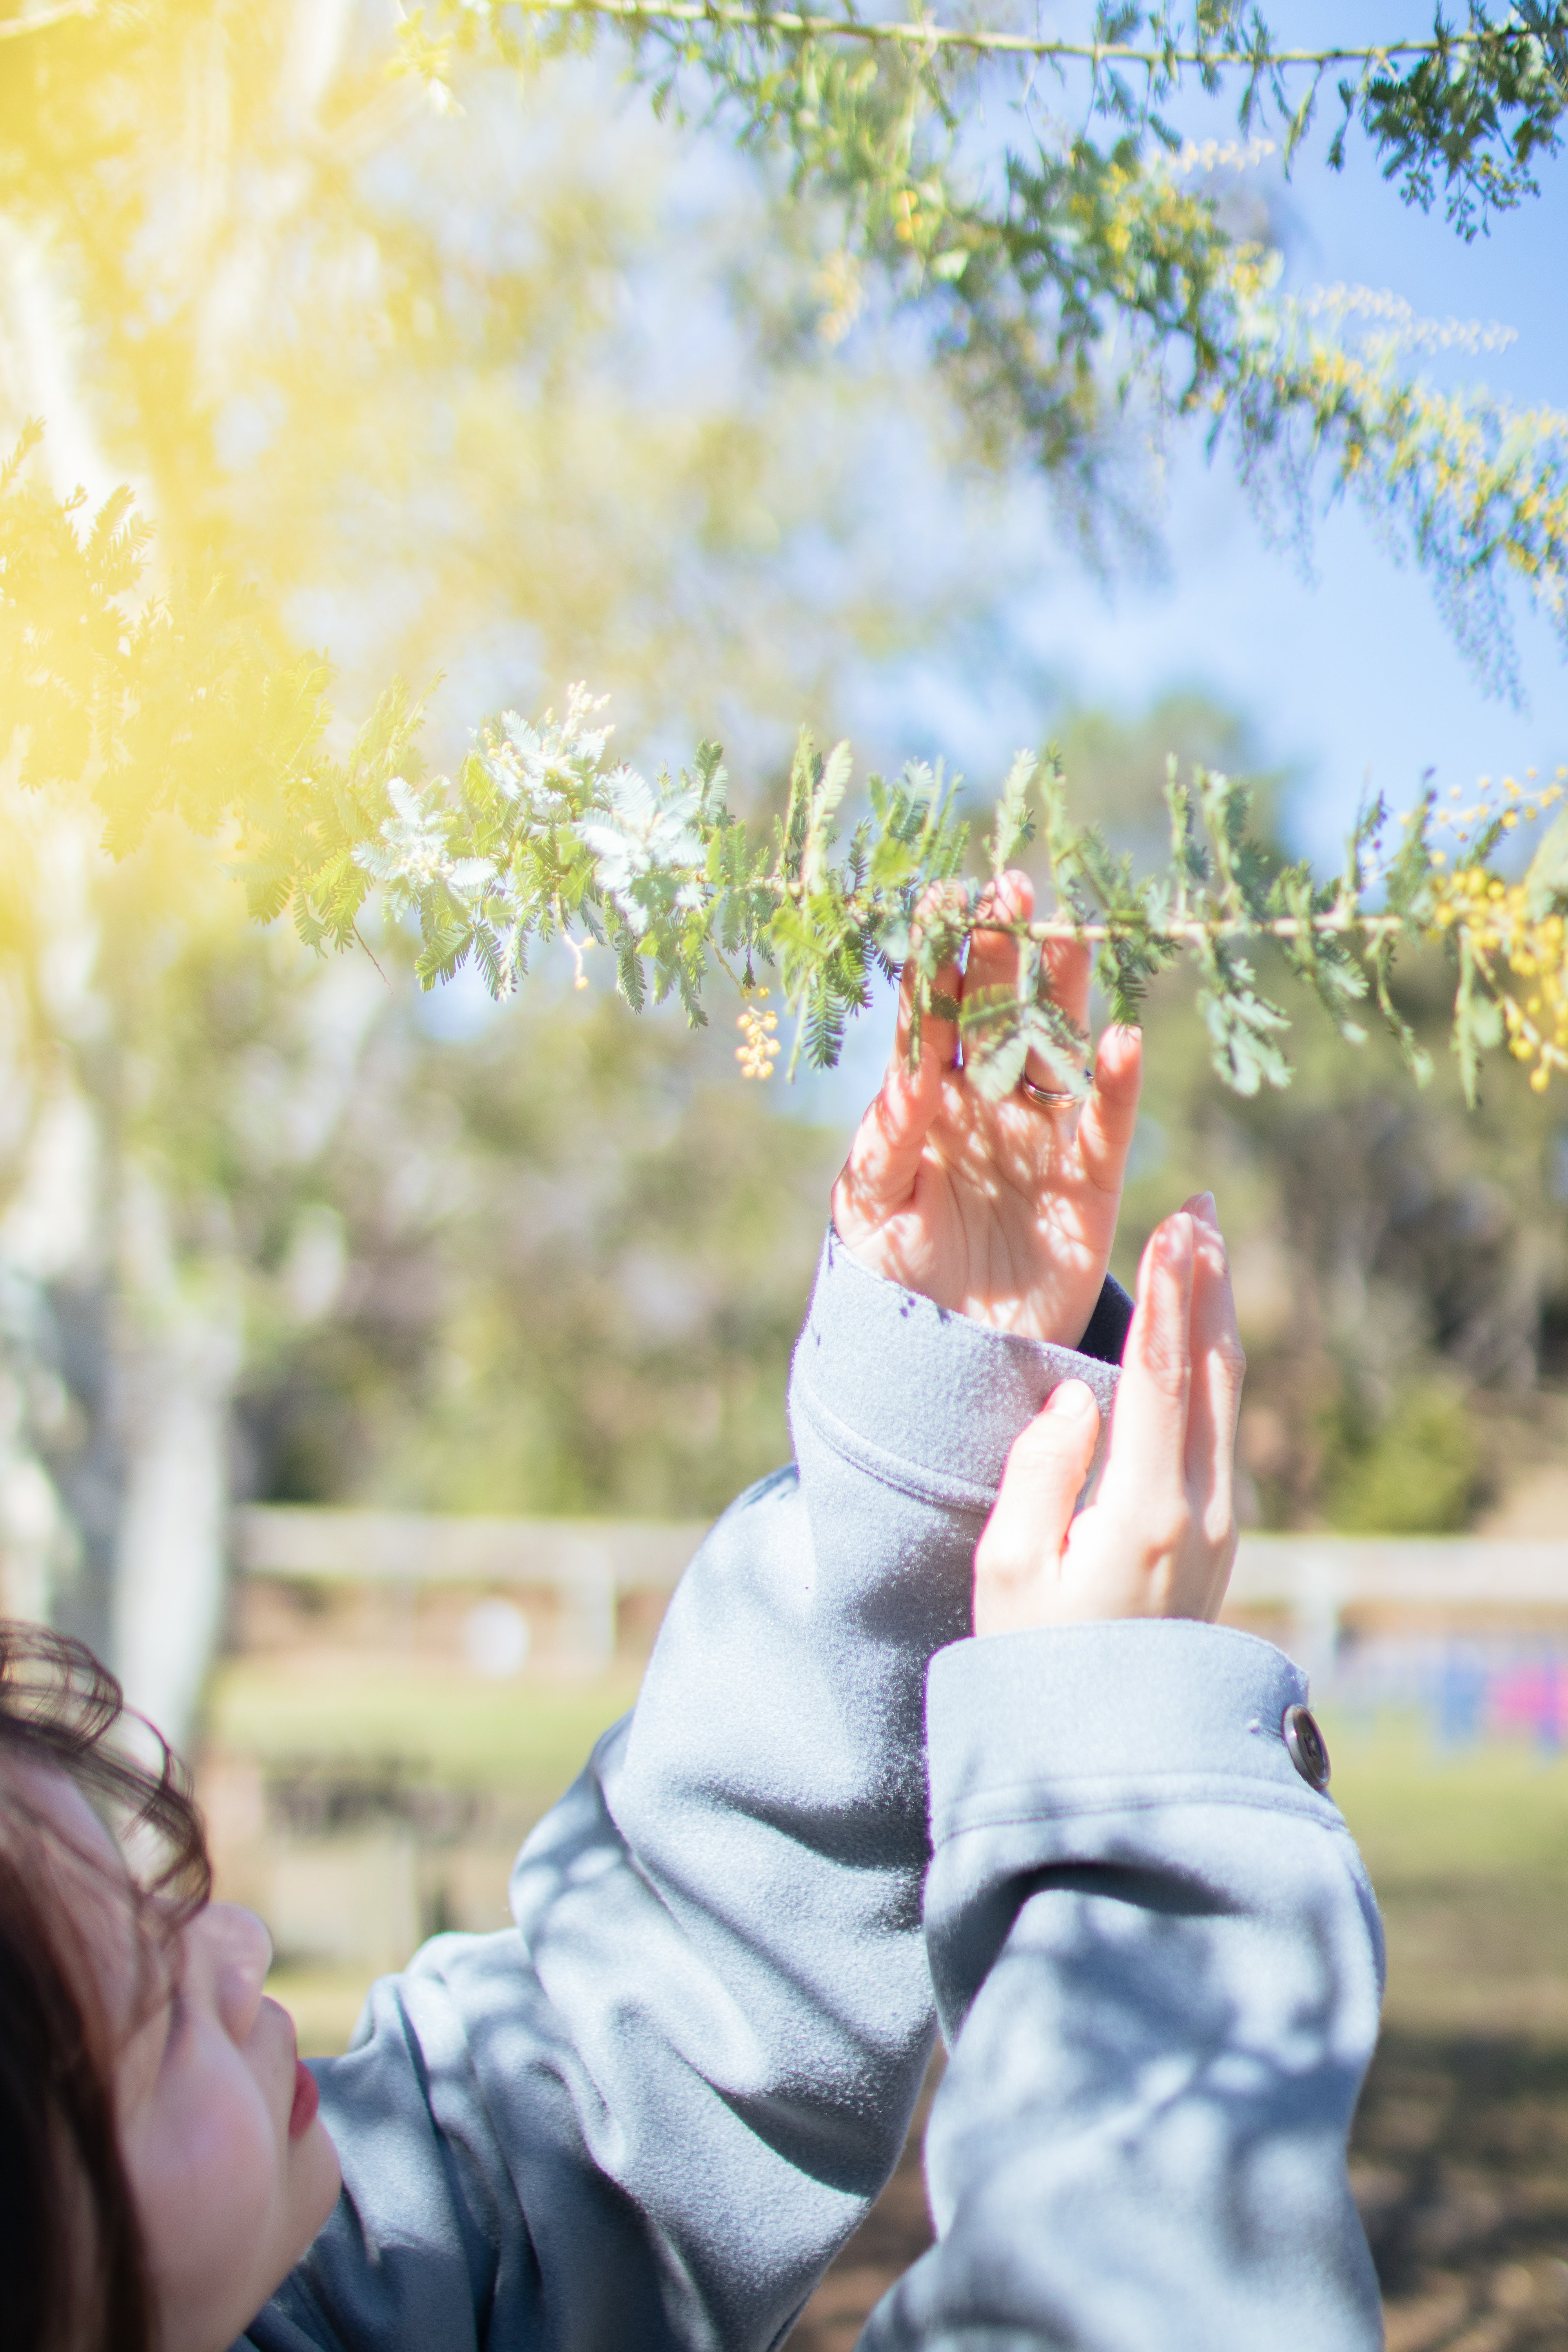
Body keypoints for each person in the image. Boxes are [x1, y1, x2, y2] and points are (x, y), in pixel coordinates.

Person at [0, 885, 1384, 2351]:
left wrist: (937, 1442)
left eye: (169, 1914)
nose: (240, 1950)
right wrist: (1124, 1814)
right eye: (153, 2023)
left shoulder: (307, 2297)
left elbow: (595, 2146)